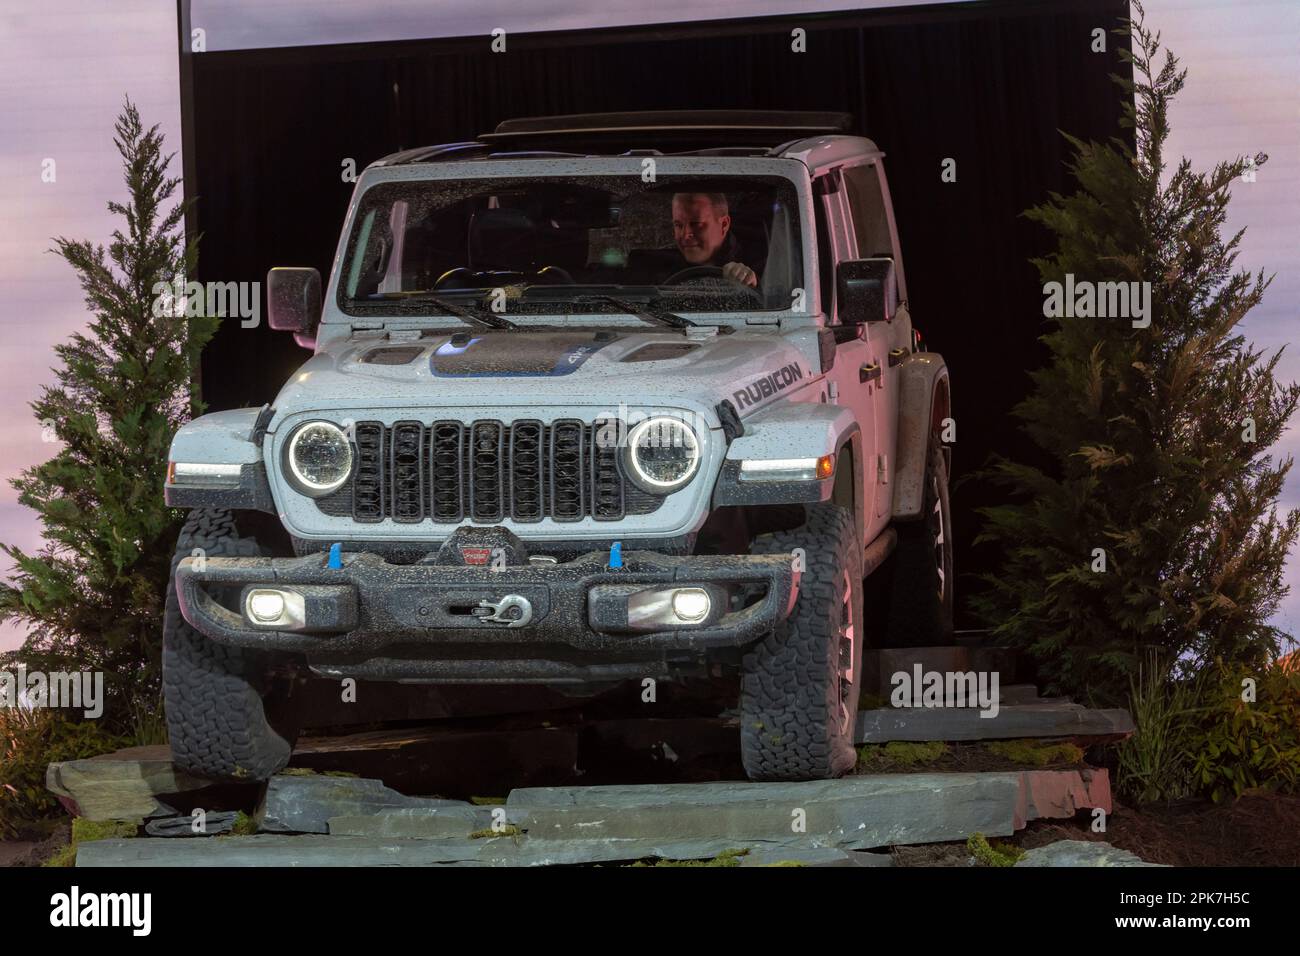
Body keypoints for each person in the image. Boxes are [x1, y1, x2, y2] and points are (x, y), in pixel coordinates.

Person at [669, 192, 759, 287]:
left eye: (696, 224)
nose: (685, 234)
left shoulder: (762, 264)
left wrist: (750, 281)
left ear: (724, 225)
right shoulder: (662, 267)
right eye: (678, 225)